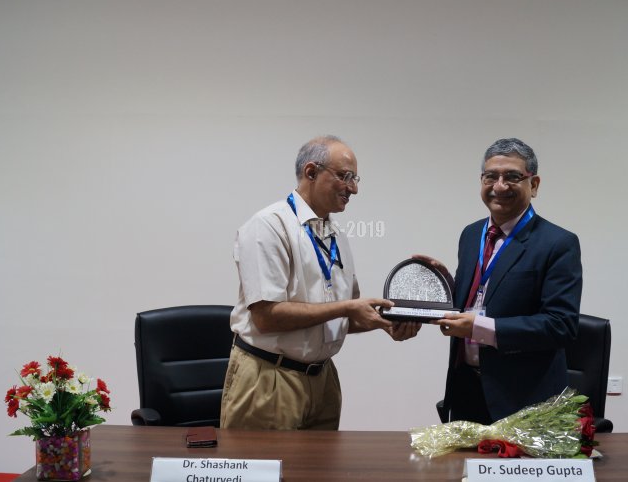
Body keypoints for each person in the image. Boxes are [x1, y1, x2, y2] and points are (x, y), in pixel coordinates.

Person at [220, 135, 420, 430]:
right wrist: (347, 307)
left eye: (355, 179)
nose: (353, 189)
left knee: (323, 462)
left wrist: (384, 323)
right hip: (270, 378)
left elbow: (340, 317)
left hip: (323, 380)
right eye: (345, 176)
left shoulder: (335, 235)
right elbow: (266, 317)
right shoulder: (268, 226)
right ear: (311, 172)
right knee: (264, 462)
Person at [417, 137, 581, 423]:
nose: (500, 186)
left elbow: (561, 325)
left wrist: (480, 328)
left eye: (512, 177)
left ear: (534, 184)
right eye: (490, 176)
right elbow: (485, 296)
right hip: (466, 390)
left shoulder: (558, 243)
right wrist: (447, 287)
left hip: (525, 399)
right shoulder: (471, 235)